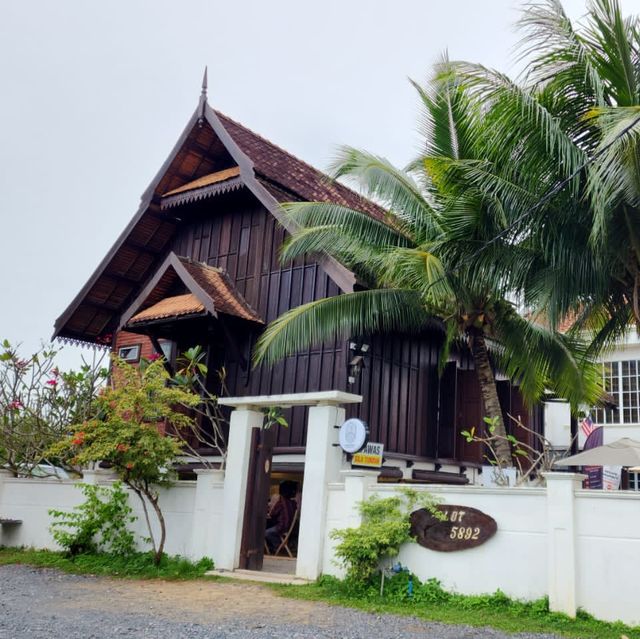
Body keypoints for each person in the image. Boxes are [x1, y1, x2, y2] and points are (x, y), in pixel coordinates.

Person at [265, 480, 298, 554]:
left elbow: (273, 514)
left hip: (281, 527)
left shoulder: (281, 501)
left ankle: (277, 546)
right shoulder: (293, 503)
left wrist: (269, 511)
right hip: (288, 527)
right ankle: (276, 547)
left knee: (266, 533)